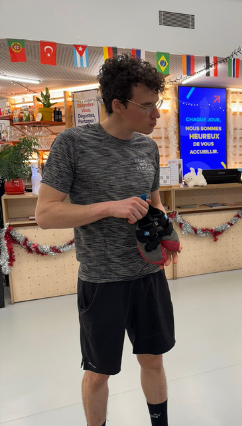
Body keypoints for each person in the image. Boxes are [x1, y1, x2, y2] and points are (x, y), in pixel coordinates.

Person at [35, 55, 181, 426]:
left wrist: (166, 231)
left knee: (153, 359)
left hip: (148, 275)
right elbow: (46, 214)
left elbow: (154, 201)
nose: (156, 115)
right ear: (118, 105)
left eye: (157, 105)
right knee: (99, 372)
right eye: (147, 106)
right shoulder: (73, 143)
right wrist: (108, 207)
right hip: (102, 280)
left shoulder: (147, 147)